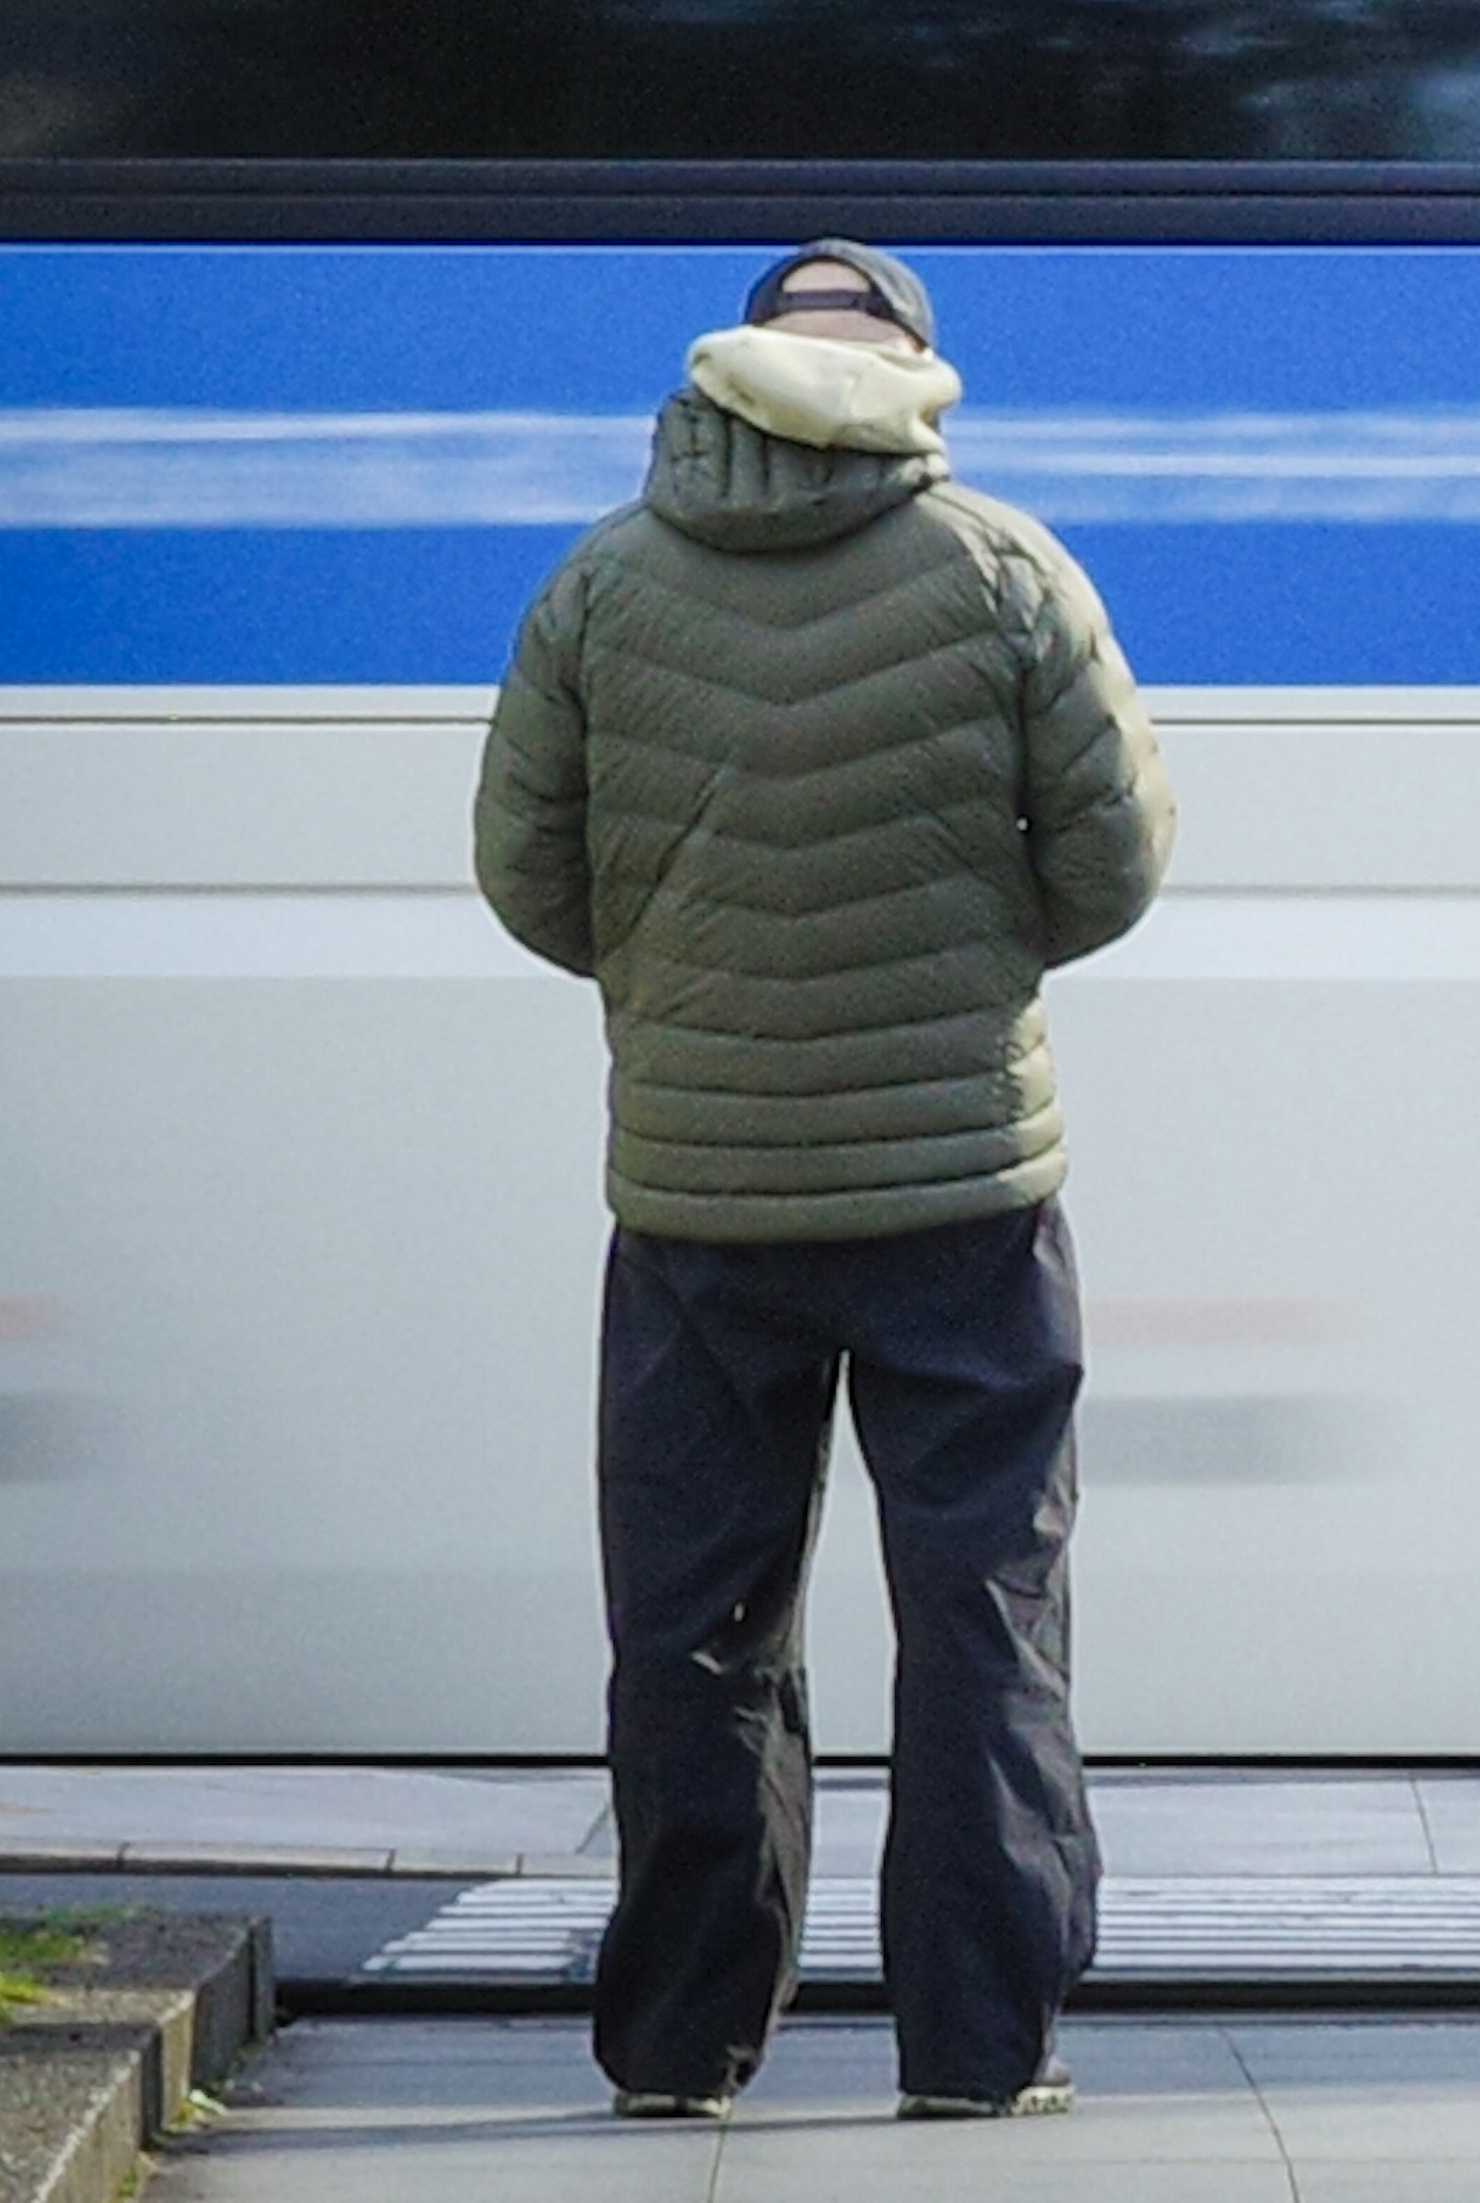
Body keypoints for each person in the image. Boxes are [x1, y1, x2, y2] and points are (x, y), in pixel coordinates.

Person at [475, 239, 1174, 2125]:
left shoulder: (604, 586)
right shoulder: (1002, 571)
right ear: (919, 384)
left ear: (725, 377)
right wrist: (963, 961)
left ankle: (679, 2045)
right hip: (965, 1190)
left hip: (700, 1202)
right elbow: (1115, 859)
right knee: (980, 1613)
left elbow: (526, 873)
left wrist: (685, 984)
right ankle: (978, 2047)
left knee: (695, 1623)